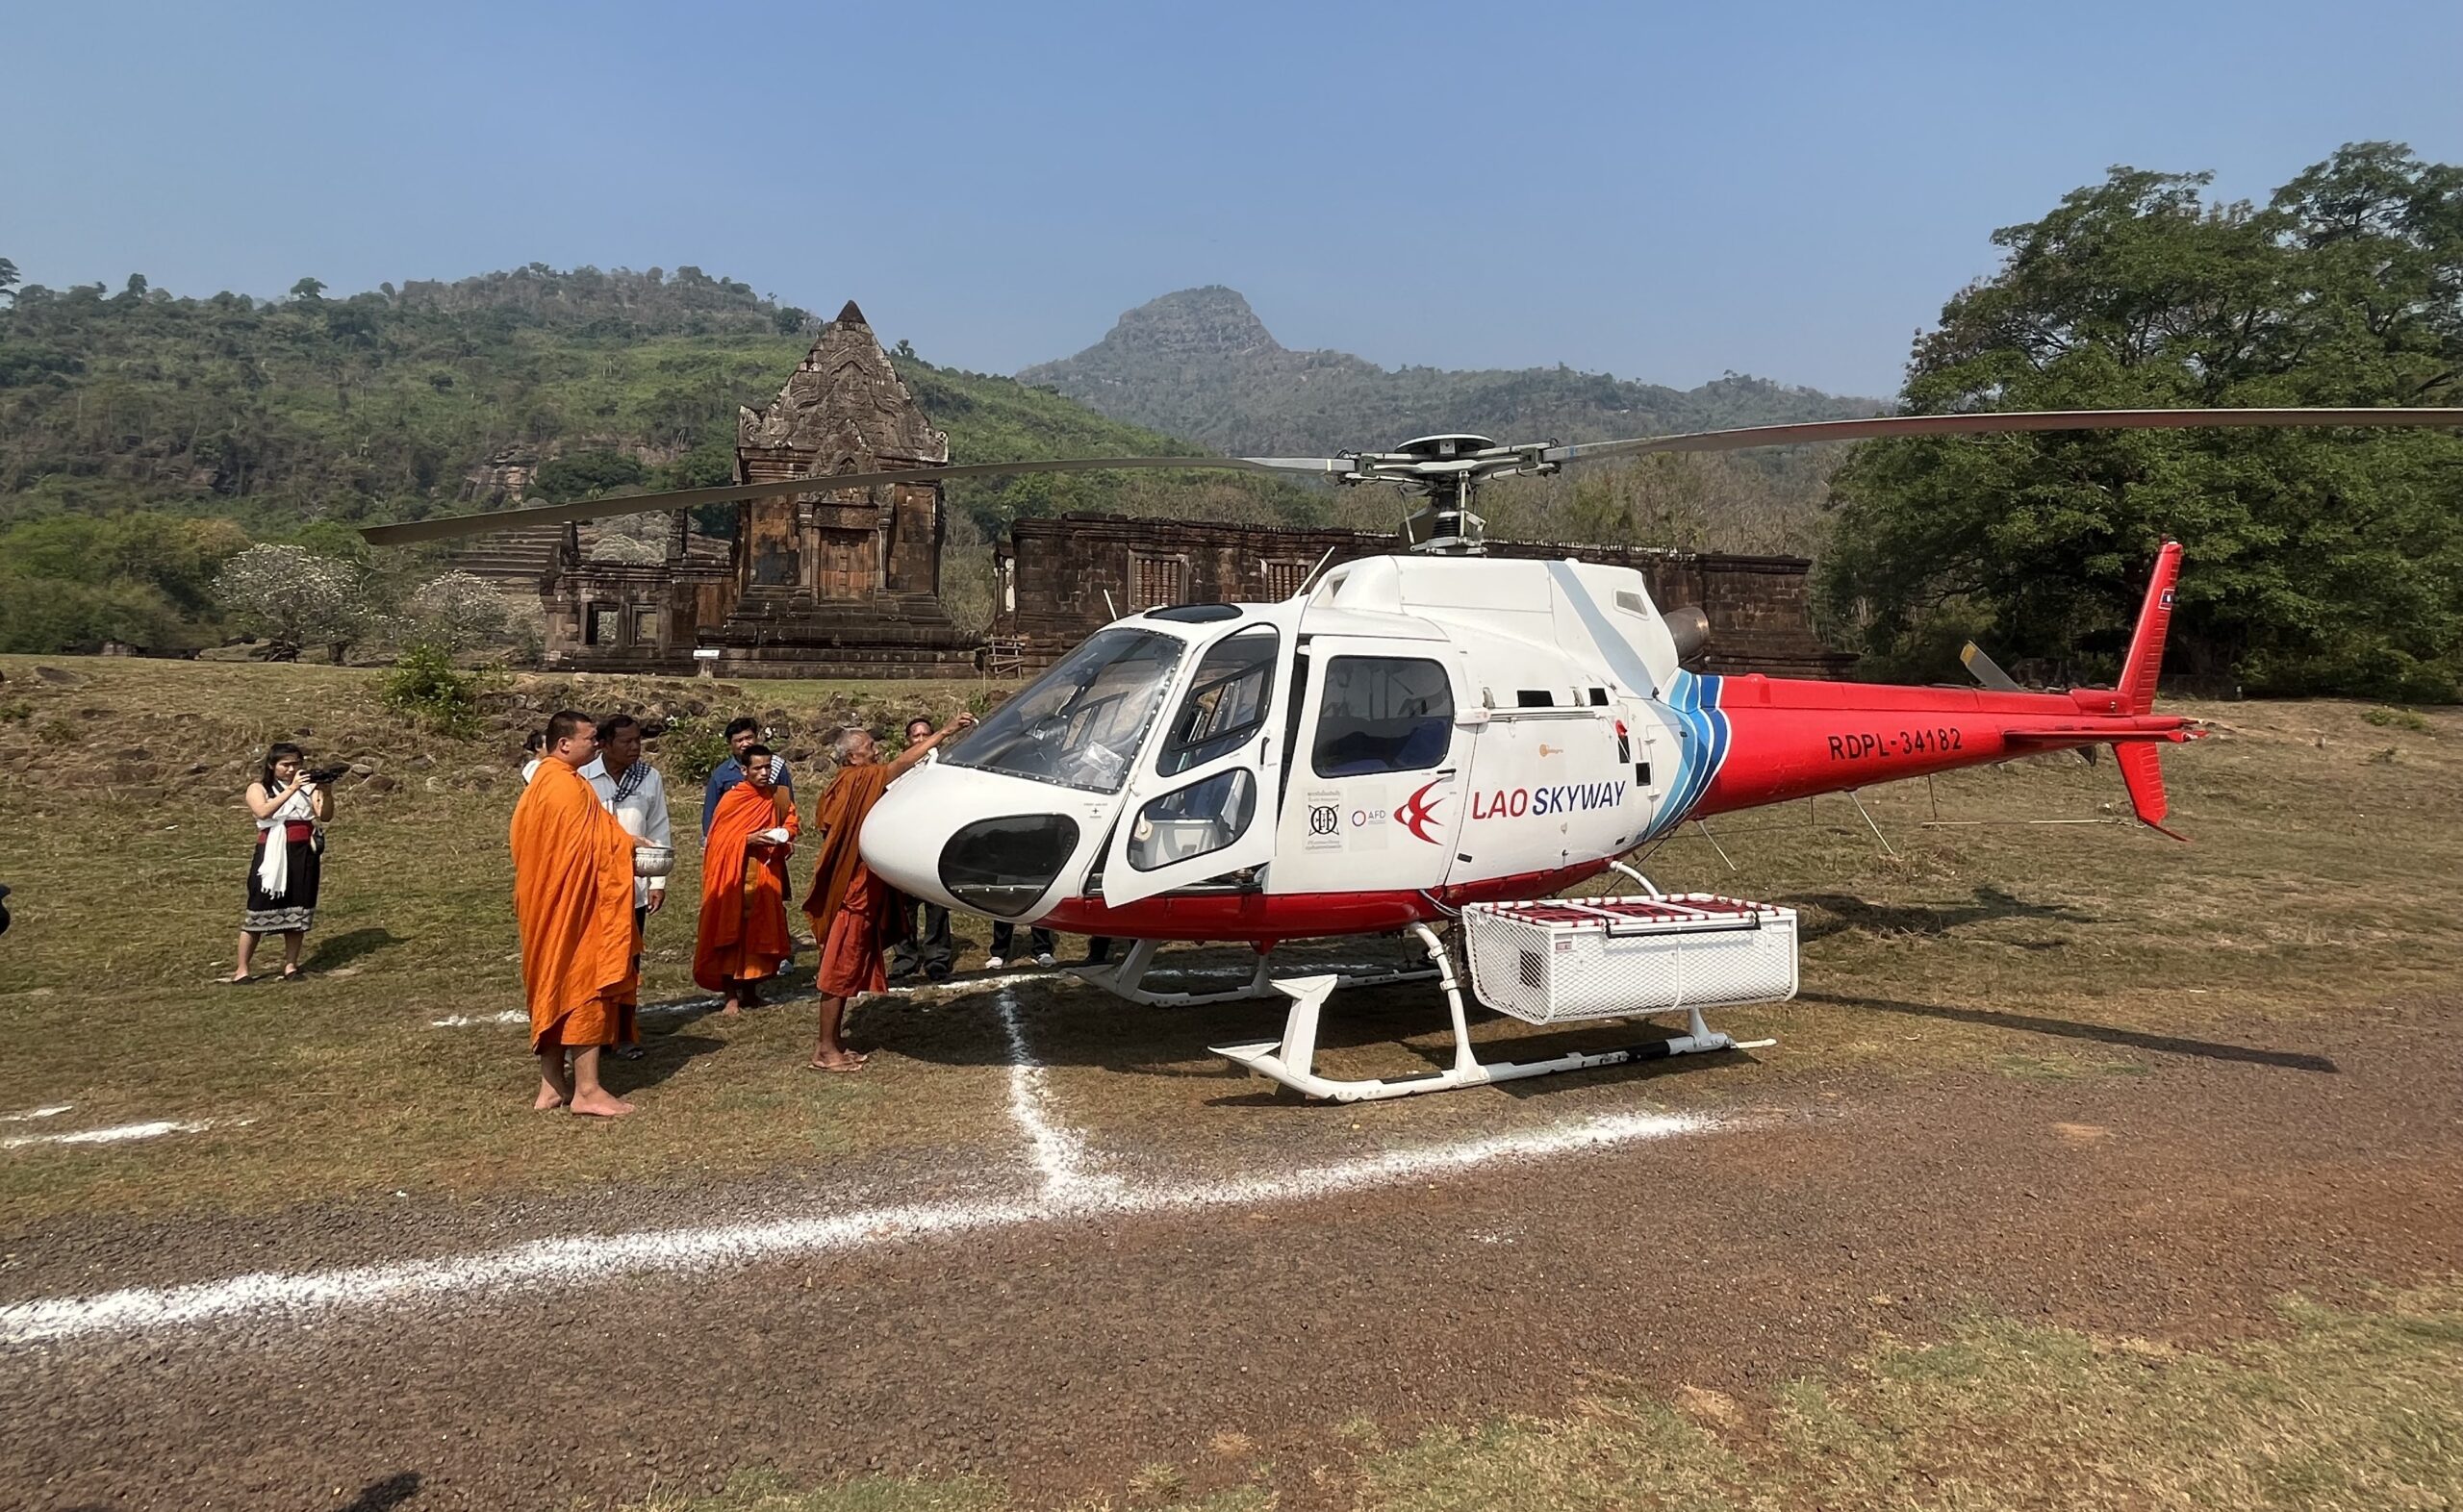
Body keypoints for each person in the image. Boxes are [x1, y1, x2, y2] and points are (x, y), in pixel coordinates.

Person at [802, 714, 972, 1071]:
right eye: (869, 748)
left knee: (845, 968)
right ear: (853, 758)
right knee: (838, 970)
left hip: (857, 887)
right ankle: (825, 1050)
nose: (876, 752)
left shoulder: (842, 784)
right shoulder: (857, 781)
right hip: (854, 893)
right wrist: (944, 732)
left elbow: (828, 825)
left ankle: (832, 1043)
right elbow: (901, 764)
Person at [511, 710, 642, 1118]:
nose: (597, 743)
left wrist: (619, 840)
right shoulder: (563, 787)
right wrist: (627, 846)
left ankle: (551, 1086)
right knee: (584, 987)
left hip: (545, 906)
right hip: (573, 910)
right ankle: (587, 1089)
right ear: (564, 744)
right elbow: (589, 849)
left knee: (552, 988)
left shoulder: (544, 784)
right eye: (590, 738)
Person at [580, 714, 671, 1056]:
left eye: (638, 741)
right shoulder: (582, 778)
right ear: (604, 744)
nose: (635, 748)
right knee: (592, 962)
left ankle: (623, 1033)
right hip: (591, 887)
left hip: (632, 889)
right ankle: (592, 1031)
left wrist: (657, 880)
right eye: (626, 742)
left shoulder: (649, 778)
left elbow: (658, 828)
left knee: (628, 962)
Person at [694, 743, 800, 1016]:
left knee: (759, 932)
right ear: (744, 770)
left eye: (768, 767)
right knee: (731, 932)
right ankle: (730, 995)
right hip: (734, 877)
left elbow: (790, 820)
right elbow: (717, 841)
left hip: (765, 874)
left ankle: (752, 990)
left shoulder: (778, 796)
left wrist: (785, 835)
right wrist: (747, 839)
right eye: (758, 768)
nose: (764, 773)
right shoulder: (733, 799)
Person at [231, 742, 334, 983]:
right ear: (272, 765)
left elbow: (325, 815)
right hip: (273, 850)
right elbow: (263, 812)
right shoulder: (259, 787)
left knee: (299, 905)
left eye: (296, 764)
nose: (291, 769)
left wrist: (326, 792)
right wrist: (291, 789)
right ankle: (242, 969)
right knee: (258, 904)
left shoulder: (309, 789)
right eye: (285, 765)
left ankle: (291, 966)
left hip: (303, 850)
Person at [885, 717, 954, 981]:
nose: (922, 740)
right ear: (908, 740)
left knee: (936, 906)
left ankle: (937, 958)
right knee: (905, 909)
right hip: (904, 846)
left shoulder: (943, 767)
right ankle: (905, 959)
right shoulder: (899, 768)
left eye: (927, 734)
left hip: (933, 845)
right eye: (916, 736)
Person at [701, 717, 793, 839]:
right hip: (734, 838)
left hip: (771, 837)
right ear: (730, 743)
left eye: (749, 738)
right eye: (739, 740)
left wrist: (787, 835)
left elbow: (787, 803)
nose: (745, 744)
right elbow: (710, 813)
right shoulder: (721, 775)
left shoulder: (775, 766)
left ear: (756, 737)